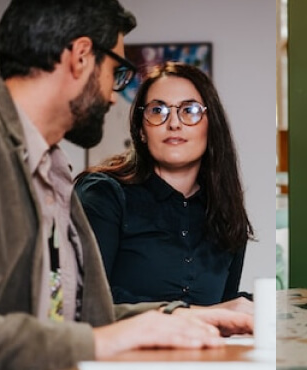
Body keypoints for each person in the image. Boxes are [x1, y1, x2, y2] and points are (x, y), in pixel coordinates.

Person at [0, 0, 251, 370]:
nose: (114, 95)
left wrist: (183, 317)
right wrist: (103, 341)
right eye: (117, 72)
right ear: (81, 57)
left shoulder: (56, 169)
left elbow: (78, 316)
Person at [75, 62, 254, 310]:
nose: (174, 123)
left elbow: (225, 306)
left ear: (211, 126)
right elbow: (87, 302)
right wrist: (205, 314)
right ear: (141, 130)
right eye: (158, 110)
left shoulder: (226, 212)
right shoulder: (103, 194)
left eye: (189, 110)